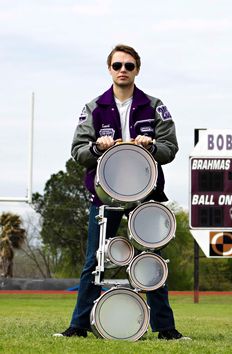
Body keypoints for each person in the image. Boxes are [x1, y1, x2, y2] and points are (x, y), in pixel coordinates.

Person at [54, 44, 191, 340]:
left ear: (137, 70)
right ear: (109, 69)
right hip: (105, 196)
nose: (123, 71)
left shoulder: (154, 106)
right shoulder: (93, 108)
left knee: (152, 259)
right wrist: (97, 147)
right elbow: (78, 152)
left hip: (147, 195)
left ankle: (166, 329)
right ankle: (78, 326)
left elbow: (171, 148)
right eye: (117, 65)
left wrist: (151, 145)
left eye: (129, 66)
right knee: (94, 260)